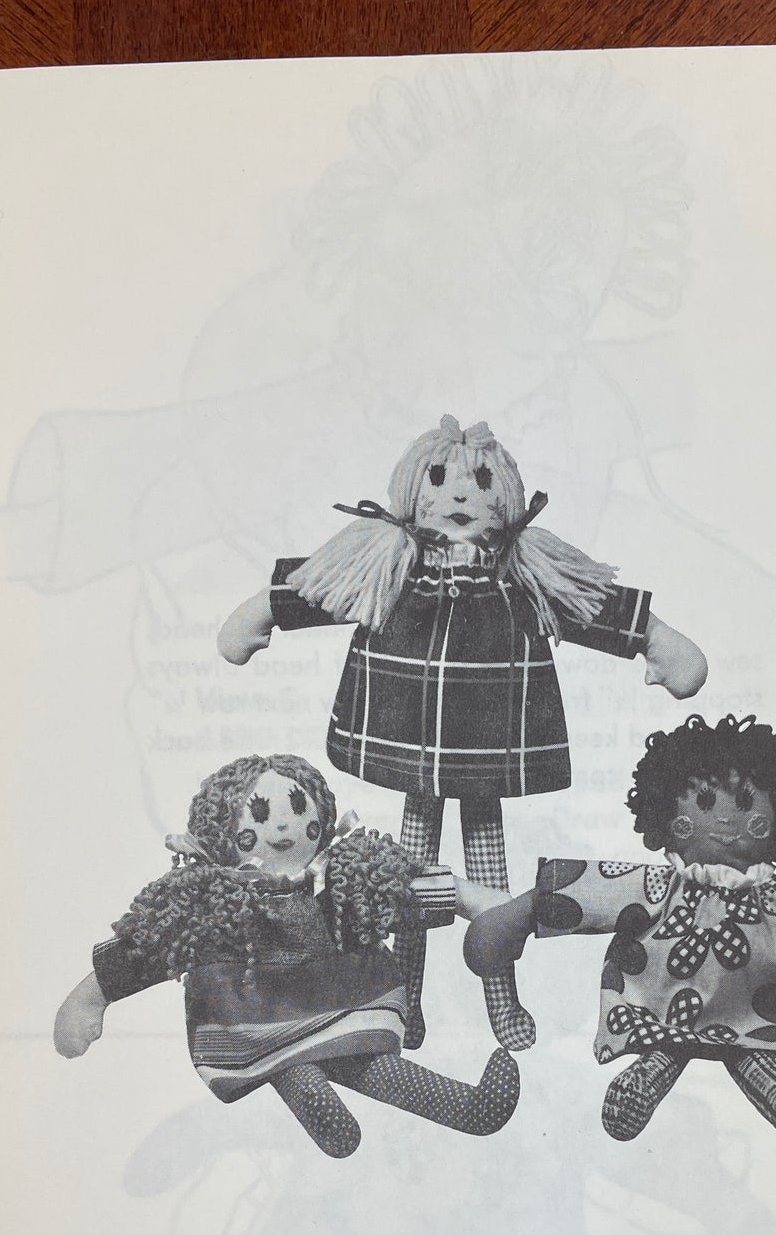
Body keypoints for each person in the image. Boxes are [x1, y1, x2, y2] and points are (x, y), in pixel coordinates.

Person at [216, 415, 707, 1053]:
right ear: (411, 489)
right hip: (411, 735)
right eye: (440, 478)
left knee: (486, 869)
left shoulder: (524, 569)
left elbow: (587, 599)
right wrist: (264, 611)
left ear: (505, 495)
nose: (458, 494)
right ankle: (404, 993)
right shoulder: (388, 561)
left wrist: (653, 639)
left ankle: (499, 996)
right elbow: (323, 585)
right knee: (408, 874)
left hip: (489, 740)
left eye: (479, 481)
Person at [464, 713, 776, 1141]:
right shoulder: (657, 887)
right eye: (703, 803)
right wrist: (525, 912)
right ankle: (638, 1089)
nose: (724, 820)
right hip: (662, 1009)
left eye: (744, 803)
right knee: (667, 1049)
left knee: (752, 1047)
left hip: (760, 1013)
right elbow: (592, 889)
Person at [54, 752, 517, 1159]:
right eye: (258, 816)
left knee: (369, 1062)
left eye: (297, 809)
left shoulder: (343, 877)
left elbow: (400, 890)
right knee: (289, 1065)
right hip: (253, 1022)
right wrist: (93, 997)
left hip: (339, 1008)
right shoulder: (209, 899)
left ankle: (467, 1107)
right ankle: (321, 1112)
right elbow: (150, 943)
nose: (280, 827)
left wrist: (469, 899)